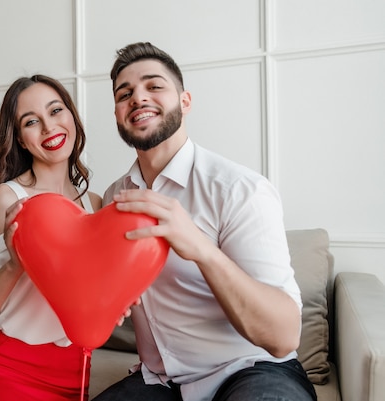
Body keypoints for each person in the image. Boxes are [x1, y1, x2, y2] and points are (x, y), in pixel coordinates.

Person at [92, 42, 317, 401]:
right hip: (161, 382)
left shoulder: (240, 190)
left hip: (251, 370)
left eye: (154, 86)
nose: (137, 98)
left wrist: (202, 250)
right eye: (125, 93)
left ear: (185, 102)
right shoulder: (114, 197)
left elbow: (283, 337)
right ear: (118, 114)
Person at [0, 74, 102, 401]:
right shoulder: (7, 200)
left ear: (72, 116)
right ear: (19, 139)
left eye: (56, 111)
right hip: (2, 368)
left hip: (73, 379)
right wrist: (16, 262)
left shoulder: (96, 205)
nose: (49, 127)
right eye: (32, 121)